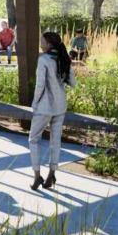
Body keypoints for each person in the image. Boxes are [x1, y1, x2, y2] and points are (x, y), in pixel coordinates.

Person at [28, 31, 76, 191]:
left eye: (42, 40)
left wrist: (34, 103)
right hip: (60, 105)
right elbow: (73, 82)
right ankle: (51, 174)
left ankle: (37, 176)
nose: (40, 42)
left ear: (49, 44)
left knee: (33, 139)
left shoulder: (43, 59)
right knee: (55, 141)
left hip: (44, 106)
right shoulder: (63, 58)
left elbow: (40, 85)